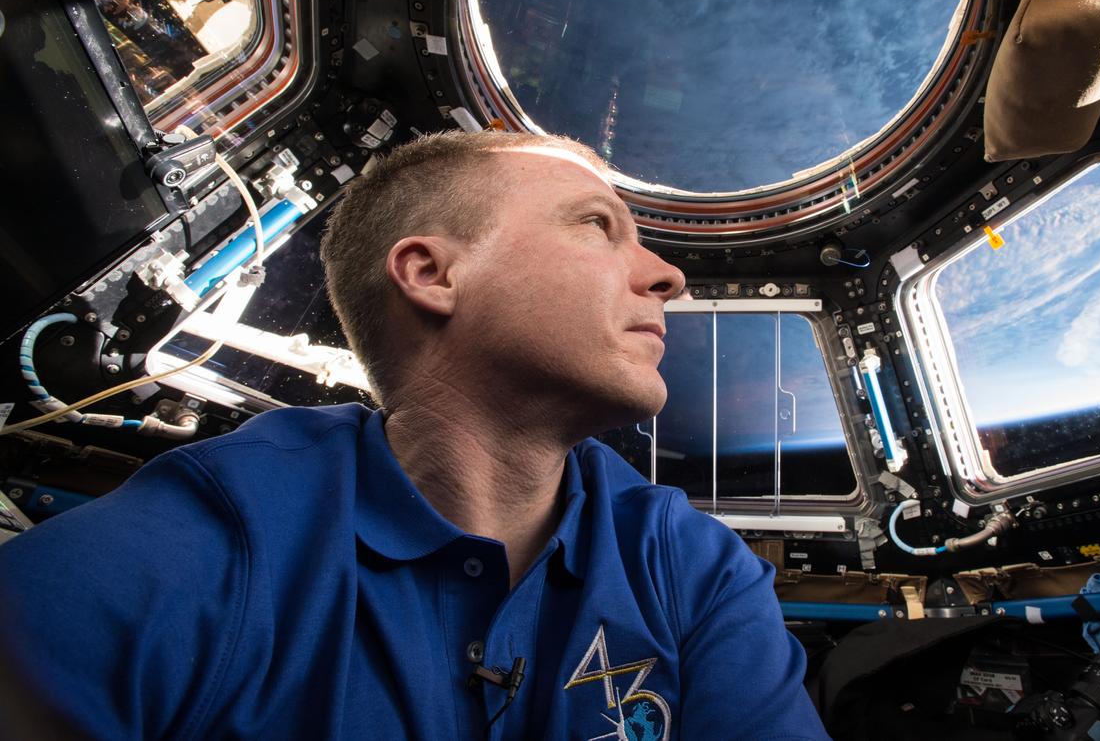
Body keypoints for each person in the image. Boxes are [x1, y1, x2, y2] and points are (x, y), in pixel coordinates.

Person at [0, 131, 831, 740]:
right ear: (432, 274)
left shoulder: (692, 566)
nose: (667, 275)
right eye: (596, 225)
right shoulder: (210, 536)